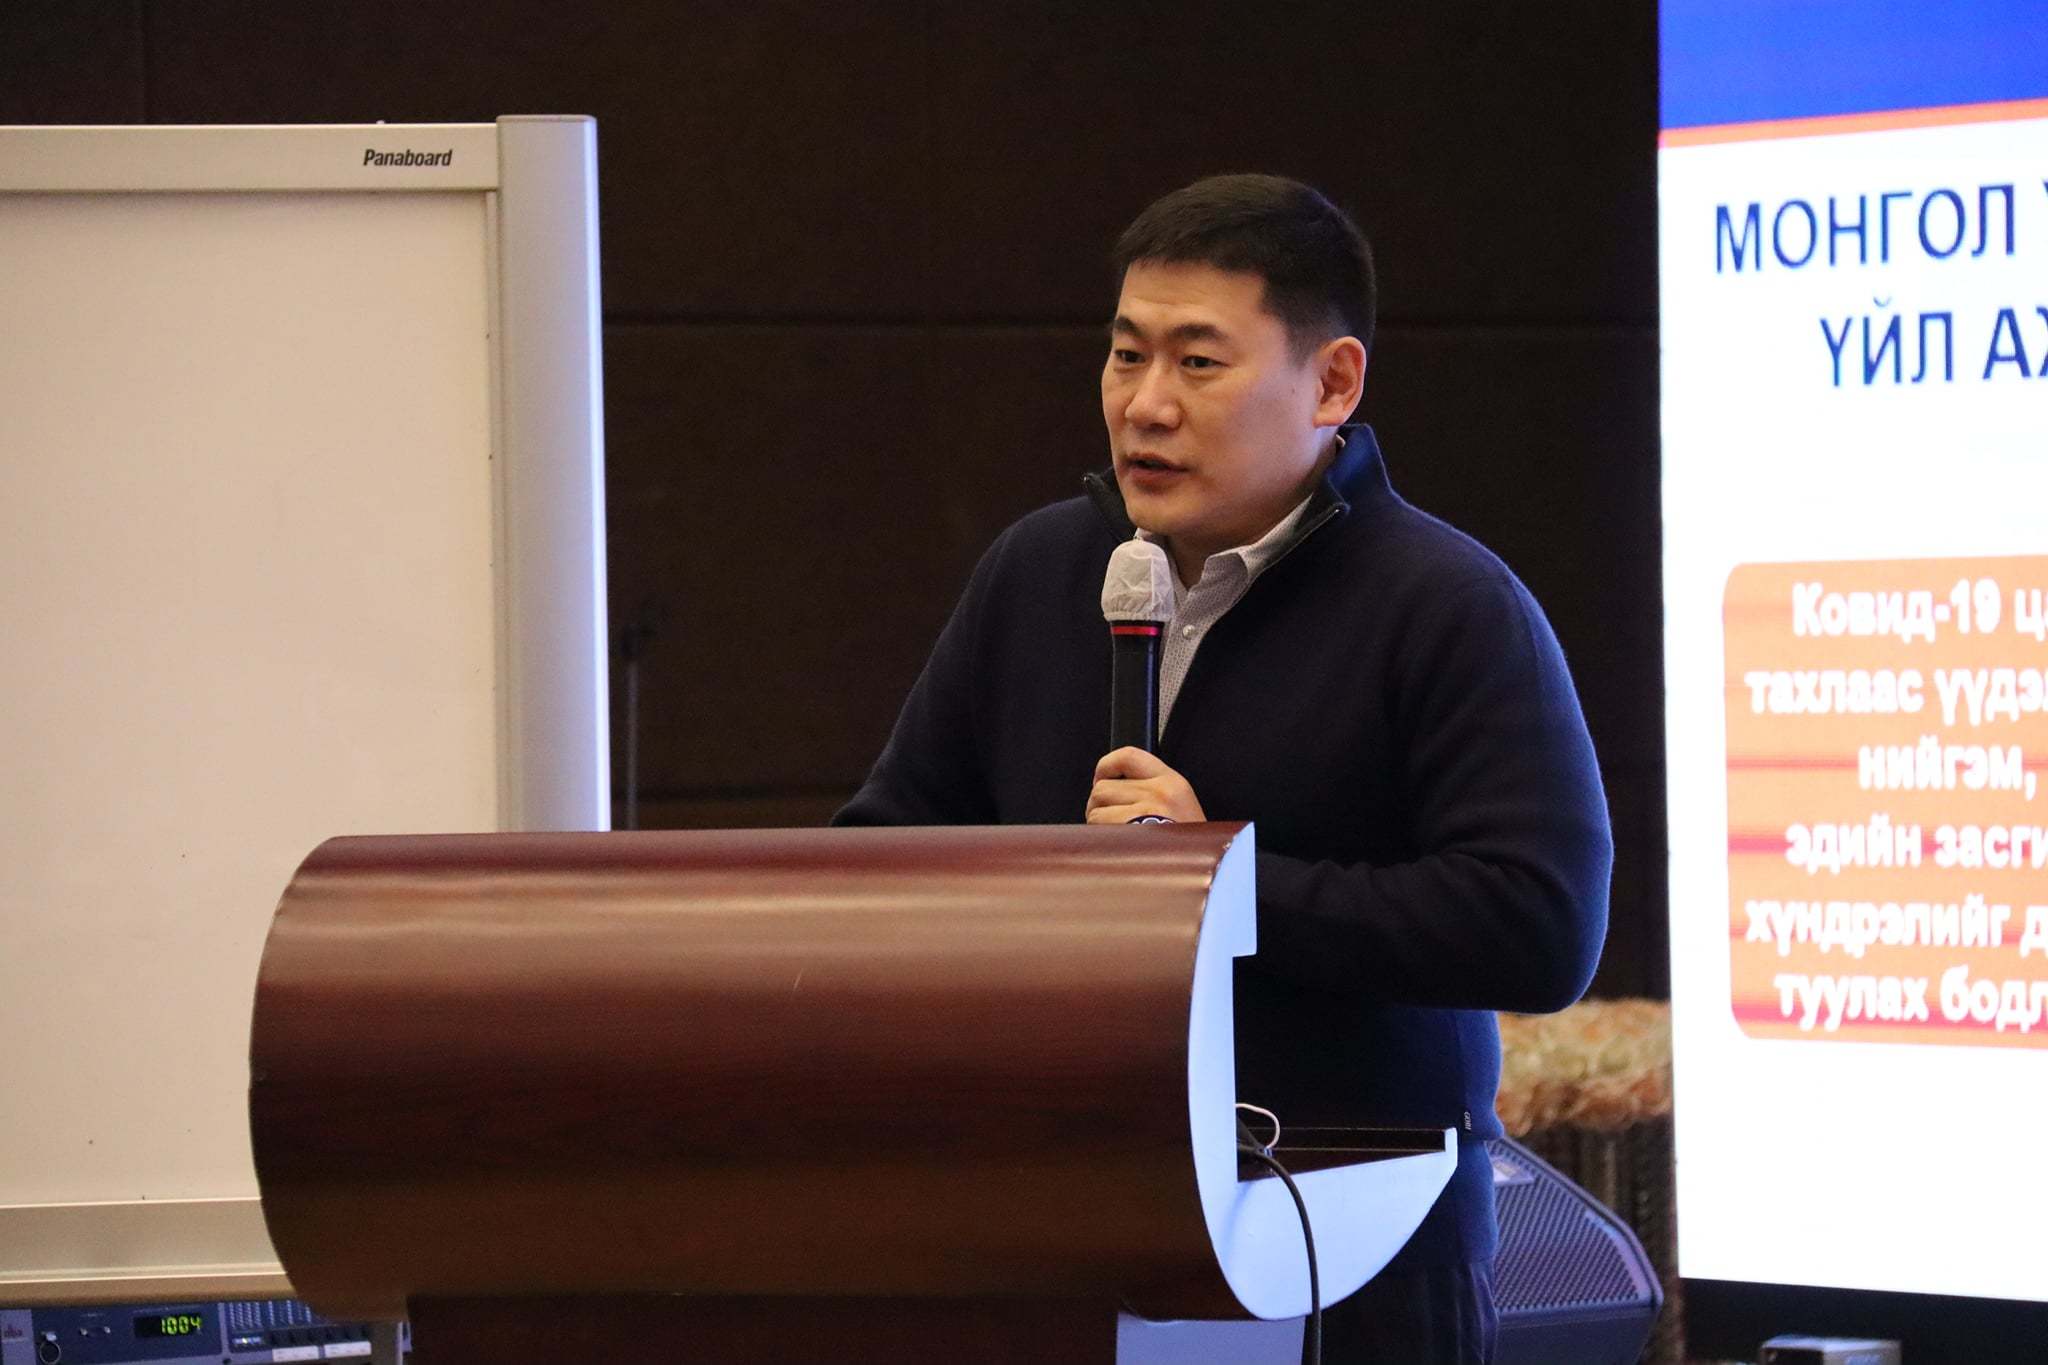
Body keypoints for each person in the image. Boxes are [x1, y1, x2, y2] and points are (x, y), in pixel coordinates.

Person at [835, 173, 1611, 1364]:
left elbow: (1537, 925)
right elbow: (885, 853)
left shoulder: (1444, 605)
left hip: (1353, 1250)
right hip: (1059, 1228)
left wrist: (1219, 885)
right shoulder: (1038, 573)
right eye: (1124, 355)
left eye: (1196, 363)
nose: (1143, 404)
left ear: (1331, 384)